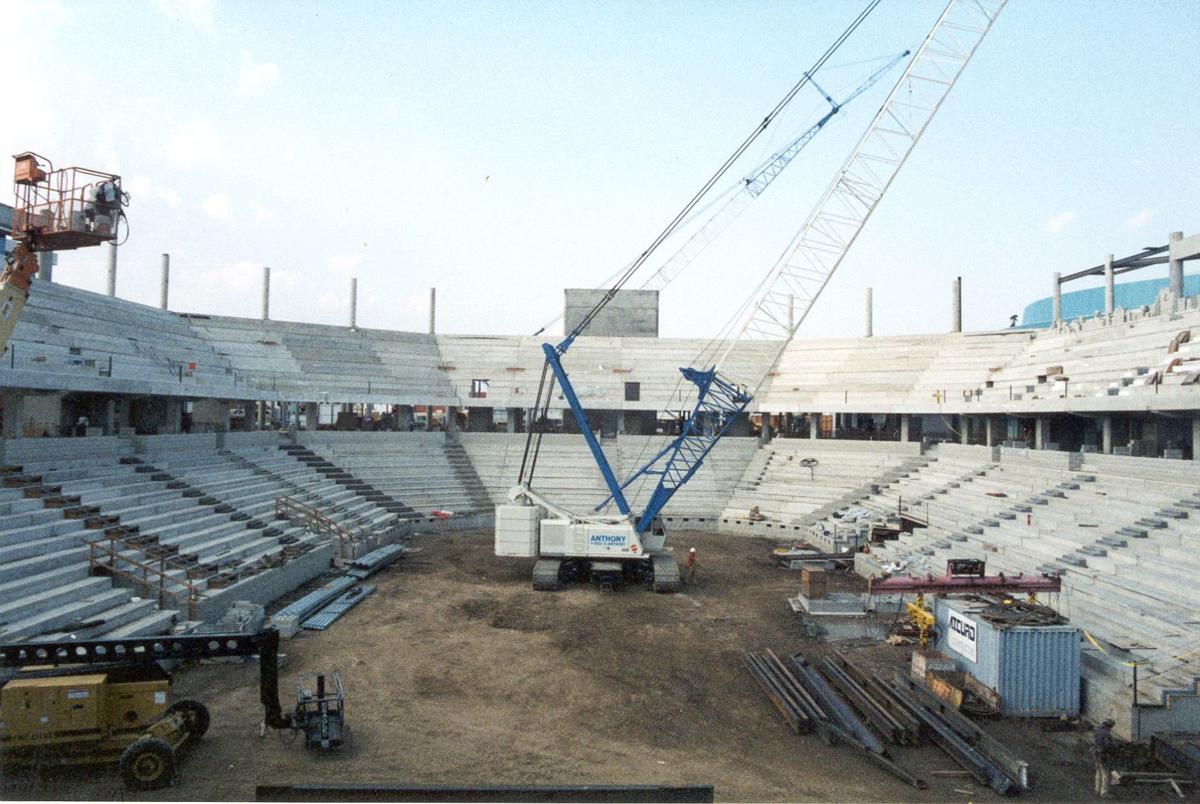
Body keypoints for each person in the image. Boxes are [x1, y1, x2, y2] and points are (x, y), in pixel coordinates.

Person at [1093, 718, 1116, 798]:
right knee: (1106, 774)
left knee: (1098, 772)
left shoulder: (1097, 731)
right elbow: (1108, 745)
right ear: (1109, 725)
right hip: (1103, 755)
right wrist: (1113, 749)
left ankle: (1097, 790)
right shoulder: (1106, 733)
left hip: (1096, 754)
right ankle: (1104, 792)